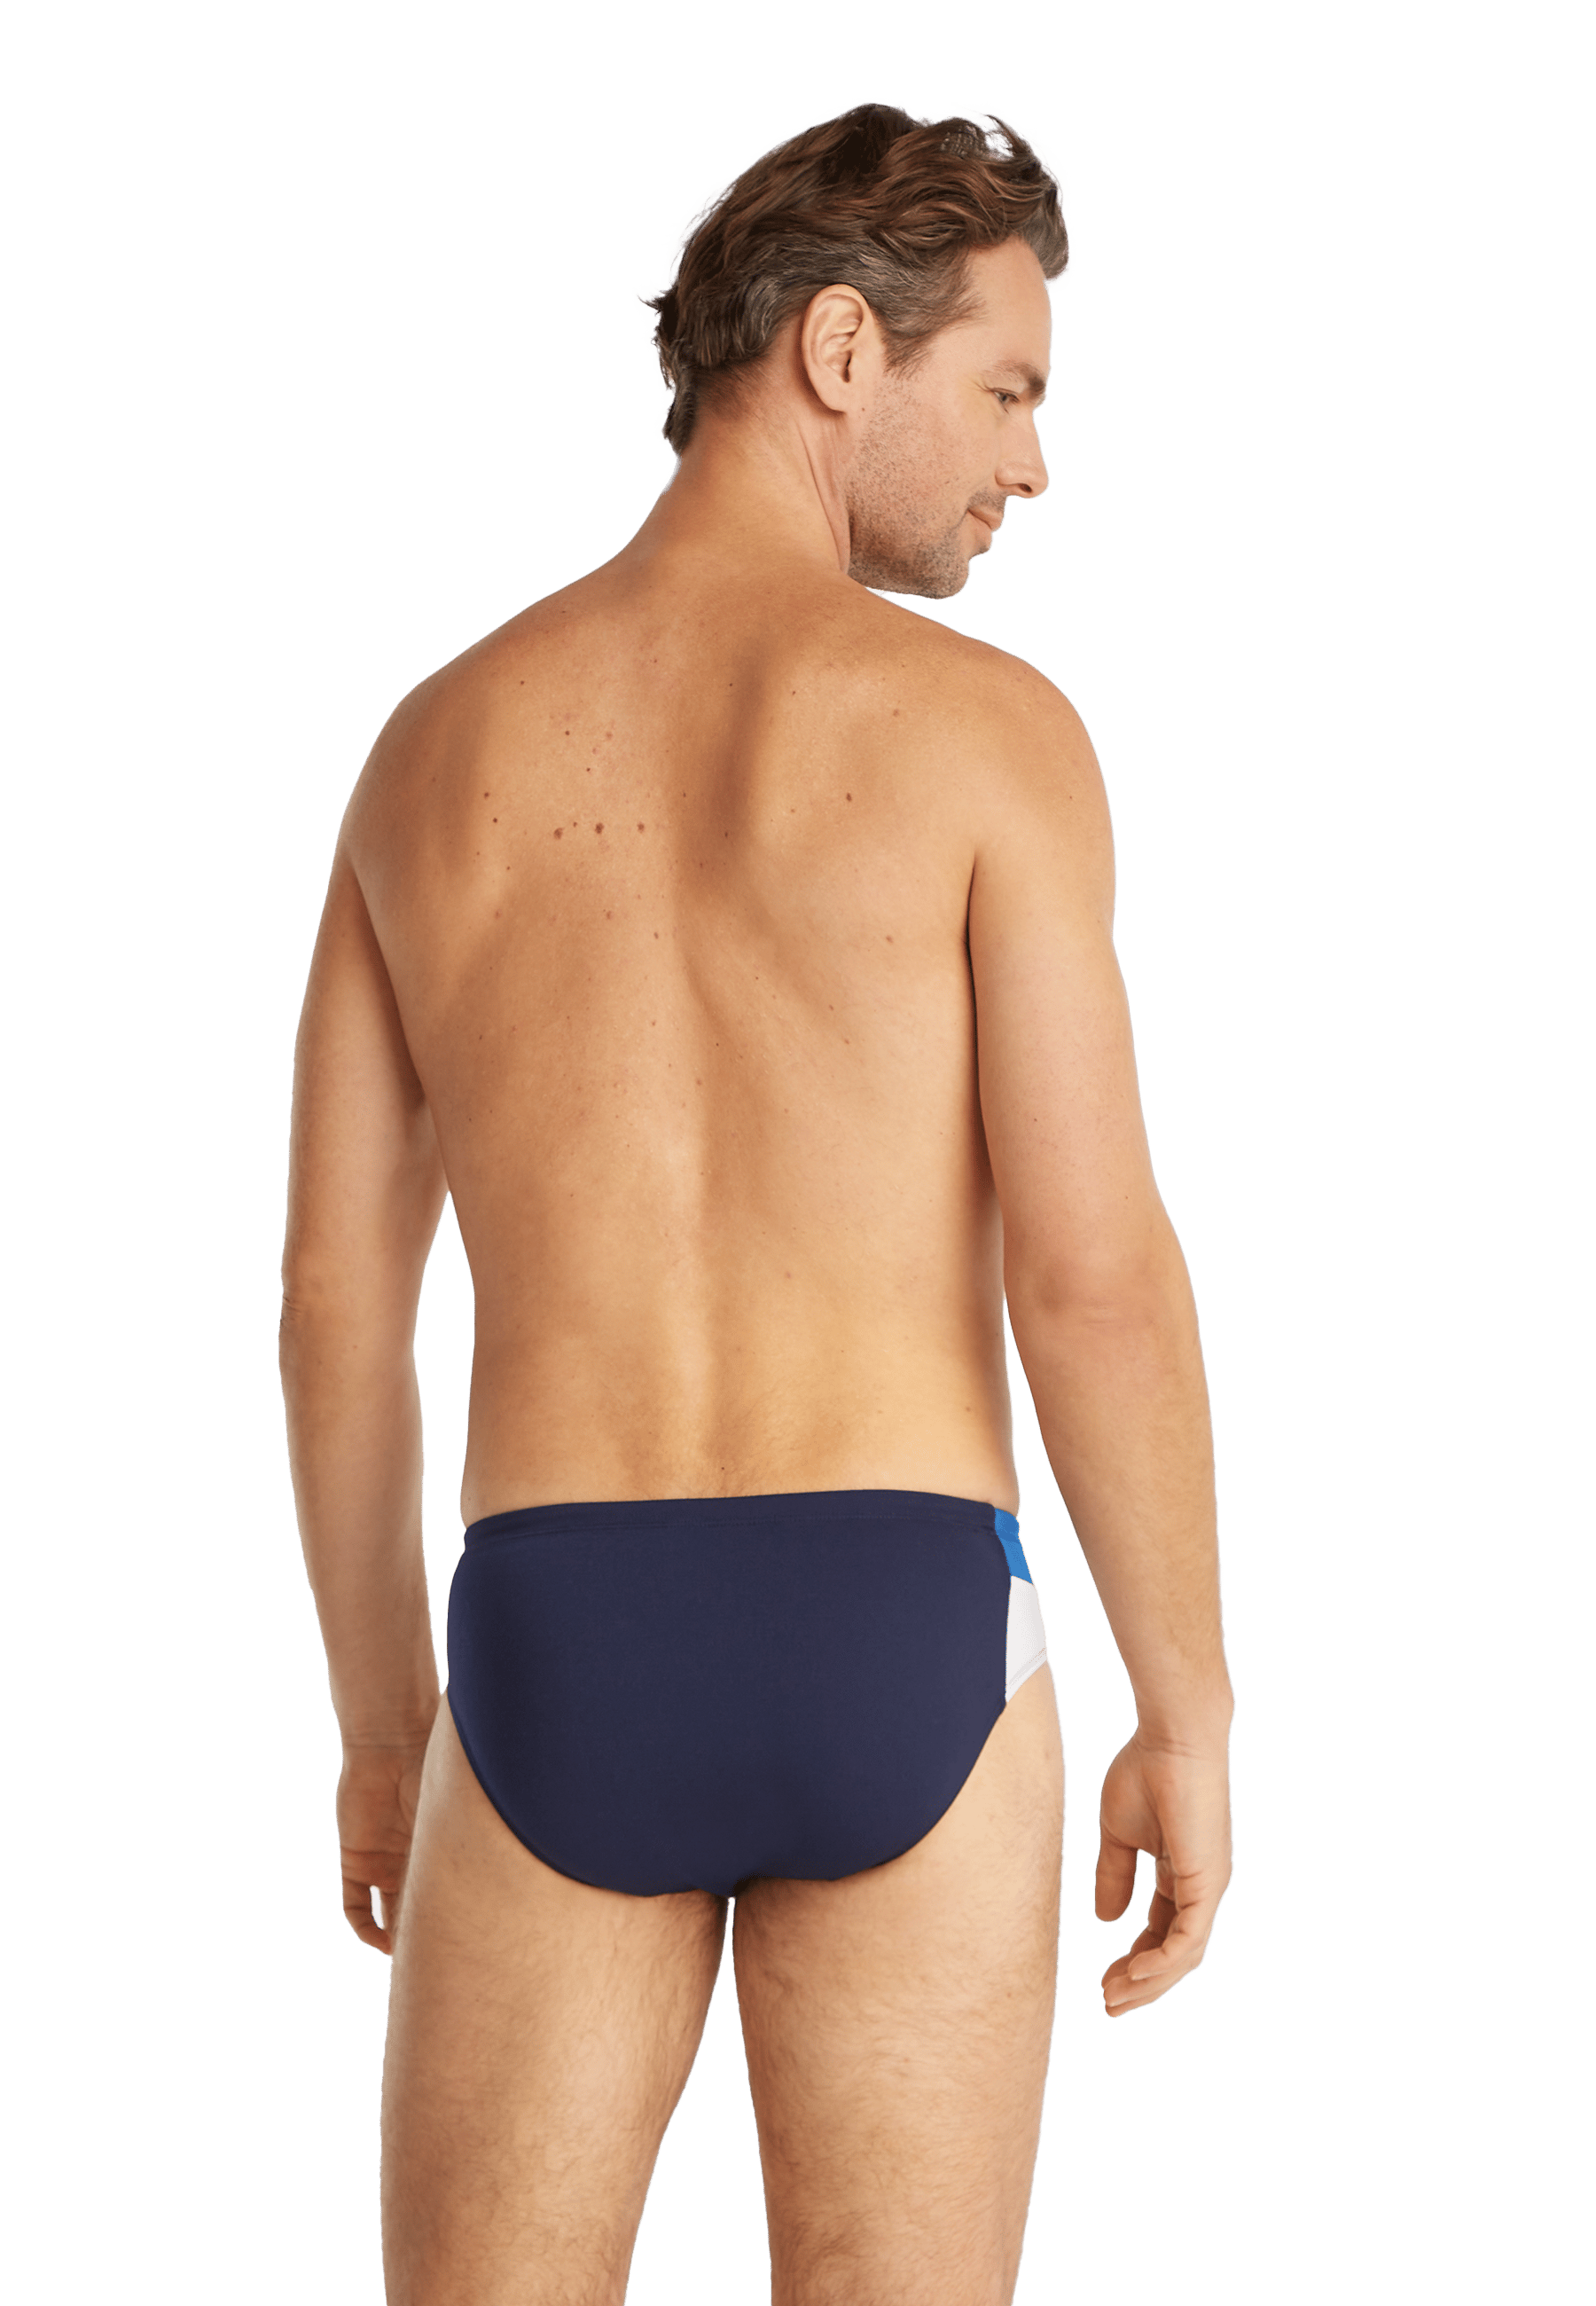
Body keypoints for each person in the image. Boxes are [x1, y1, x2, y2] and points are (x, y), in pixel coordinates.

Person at [278, 98, 1235, 2306]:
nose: (1030, 462)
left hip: (552, 1636)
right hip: (900, 1622)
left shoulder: (433, 750)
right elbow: (1091, 1272)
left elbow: (338, 1298)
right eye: (1006, 389)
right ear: (836, 348)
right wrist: (1187, 1707)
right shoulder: (987, 735)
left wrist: (383, 1727)